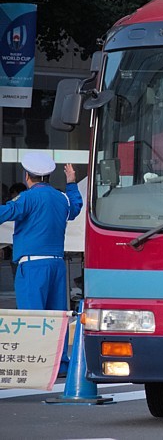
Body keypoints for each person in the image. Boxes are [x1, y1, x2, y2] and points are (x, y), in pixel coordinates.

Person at [0, 152, 83, 375]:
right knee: (57, 316)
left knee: (32, 317)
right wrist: (71, 182)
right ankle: (60, 364)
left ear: (27, 176)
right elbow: (76, 207)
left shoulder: (27, 198)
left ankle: (34, 364)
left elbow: (6, 213)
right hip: (56, 265)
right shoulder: (60, 197)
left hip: (32, 266)